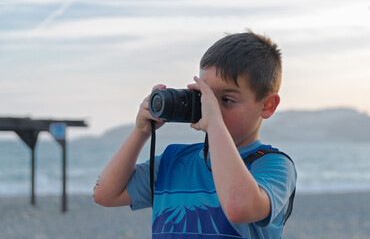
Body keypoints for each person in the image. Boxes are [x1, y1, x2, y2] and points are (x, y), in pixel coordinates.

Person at [93, 30, 297, 239]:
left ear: (267, 105)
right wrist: (141, 132)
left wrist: (215, 123)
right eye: (204, 96)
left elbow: (239, 207)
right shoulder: (173, 162)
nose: (210, 108)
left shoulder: (273, 165)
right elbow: (104, 194)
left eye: (226, 100)